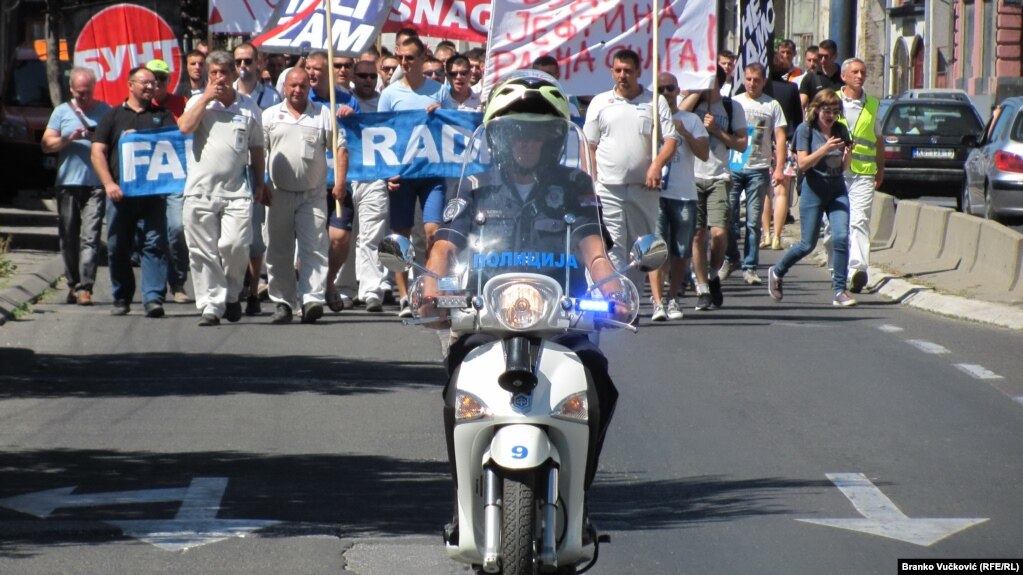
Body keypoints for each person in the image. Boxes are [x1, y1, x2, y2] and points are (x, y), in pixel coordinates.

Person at [424, 73, 630, 516]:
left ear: (553, 141)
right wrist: (429, 286)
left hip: (561, 321)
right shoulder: (475, 186)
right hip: (485, 319)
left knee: (598, 377)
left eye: (536, 137)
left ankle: (579, 488)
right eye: (515, 135)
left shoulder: (575, 185)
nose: (525, 145)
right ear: (498, 139)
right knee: (456, 387)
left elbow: (594, 251)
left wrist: (615, 289)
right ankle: (463, 497)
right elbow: (444, 248)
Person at [177, 50, 266, 326]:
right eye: (213, 73)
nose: (218, 79)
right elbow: (184, 127)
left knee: (235, 245)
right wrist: (205, 98)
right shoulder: (197, 101)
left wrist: (261, 183)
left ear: (232, 75)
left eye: (223, 74)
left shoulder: (248, 106)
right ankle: (211, 305)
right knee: (202, 250)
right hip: (200, 190)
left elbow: (257, 148)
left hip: (237, 190)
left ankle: (231, 292)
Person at [583, 48, 679, 293]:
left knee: (641, 249)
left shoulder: (654, 101)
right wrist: (589, 184)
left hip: (644, 189)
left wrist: (657, 165)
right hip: (608, 188)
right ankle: (614, 298)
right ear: (612, 72)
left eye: (627, 70)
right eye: (618, 70)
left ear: (638, 71)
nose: (622, 75)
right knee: (612, 245)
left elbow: (671, 140)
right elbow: (589, 146)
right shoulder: (600, 102)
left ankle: (632, 299)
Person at [377, 35, 454, 318]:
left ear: (423, 57)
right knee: (401, 236)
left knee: (433, 231)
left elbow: (455, 129)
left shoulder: (440, 90)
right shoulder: (390, 94)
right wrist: (386, 173)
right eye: (401, 58)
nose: (405, 63)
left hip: (432, 173)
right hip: (402, 175)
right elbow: (380, 137)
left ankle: (428, 286)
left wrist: (444, 113)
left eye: (411, 57)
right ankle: (403, 294)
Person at [90, 65, 175, 317]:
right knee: (117, 246)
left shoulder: (164, 116)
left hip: (153, 194)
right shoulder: (113, 116)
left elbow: (174, 147)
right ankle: (122, 296)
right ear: (130, 85)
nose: (151, 87)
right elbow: (97, 152)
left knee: (154, 244)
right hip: (120, 194)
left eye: (154, 83)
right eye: (145, 82)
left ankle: (153, 298)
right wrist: (108, 184)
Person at [262, 68, 341, 324]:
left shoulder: (323, 114)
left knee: (314, 248)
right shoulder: (270, 116)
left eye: (303, 86)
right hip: (277, 193)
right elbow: (259, 152)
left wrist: (339, 183)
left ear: (309, 87)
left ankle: (311, 300)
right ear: (284, 87)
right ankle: (284, 302)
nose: (297, 90)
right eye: (293, 86)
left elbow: (340, 149)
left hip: (313, 194)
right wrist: (261, 183)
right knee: (278, 250)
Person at [767, 90, 857, 307]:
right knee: (807, 244)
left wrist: (847, 154)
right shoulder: (805, 130)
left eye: (836, 112)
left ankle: (839, 290)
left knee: (841, 238)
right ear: (817, 110)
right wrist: (825, 148)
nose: (831, 116)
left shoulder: (840, 129)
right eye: (827, 111)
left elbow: (844, 167)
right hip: (813, 189)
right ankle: (777, 272)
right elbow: (803, 163)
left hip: (836, 189)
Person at [42, 67, 112, 306]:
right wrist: (67, 139)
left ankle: (85, 287)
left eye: (88, 92)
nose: (84, 96)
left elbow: (115, 144)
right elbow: (46, 144)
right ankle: (72, 283)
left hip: (95, 184)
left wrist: (97, 139)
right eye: (80, 92)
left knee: (90, 237)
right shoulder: (61, 112)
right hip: (67, 182)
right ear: (71, 88)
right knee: (68, 236)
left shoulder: (105, 112)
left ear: (94, 88)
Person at [680, 65, 748, 310]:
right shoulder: (692, 104)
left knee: (719, 234)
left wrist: (717, 130)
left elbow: (741, 144)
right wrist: (696, 94)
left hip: (718, 175)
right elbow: (675, 117)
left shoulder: (732, 107)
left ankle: (712, 273)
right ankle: (702, 288)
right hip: (691, 176)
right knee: (697, 234)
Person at [303, 51, 362, 312]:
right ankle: (308, 291)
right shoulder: (304, 97)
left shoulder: (348, 100)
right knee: (312, 240)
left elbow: (363, 140)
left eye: (317, 69)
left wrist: (353, 120)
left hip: (339, 181)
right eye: (308, 68)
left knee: (339, 237)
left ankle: (327, 283)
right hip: (310, 183)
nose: (312, 73)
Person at [649, 72, 709, 321]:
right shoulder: (649, 117)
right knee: (656, 250)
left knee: (681, 251)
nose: (666, 93)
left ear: (678, 90)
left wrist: (683, 132)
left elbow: (704, 153)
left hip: (684, 194)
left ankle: (672, 298)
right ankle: (657, 301)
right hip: (656, 192)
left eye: (670, 88)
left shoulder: (691, 119)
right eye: (661, 89)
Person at [724, 63, 787, 286]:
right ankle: (731, 258)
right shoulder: (735, 102)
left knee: (753, 221)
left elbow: (780, 137)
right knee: (728, 218)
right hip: (734, 167)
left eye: (756, 80)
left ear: (764, 80)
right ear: (744, 79)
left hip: (759, 168)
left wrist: (779, 167)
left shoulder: (772, 105)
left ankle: (750, 266)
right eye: (748, 79)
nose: (752, 83)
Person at [234, 43, 282, 316]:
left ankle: (252, 289)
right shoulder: (225, 96)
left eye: (248, 61)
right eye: (239, 61)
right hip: (230, 176)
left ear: (258, 63)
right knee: (231, 238)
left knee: (254, 237)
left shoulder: (272, 98)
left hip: (259, 176)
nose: (243, 66)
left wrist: (265, 180)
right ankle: (235, 282)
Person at [835, 57, 884, 294]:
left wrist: (880, 168)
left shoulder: (873, 104)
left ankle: (858, 271)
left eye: (863, 72)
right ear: (844, 76)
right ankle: (837, 270)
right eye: (854, 72)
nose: (859, 76)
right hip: (835, 172)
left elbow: (879, 140)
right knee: (833, 226)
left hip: (863, 173)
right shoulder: (831, 101)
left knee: (859, 220)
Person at [346, 60, 390, 312]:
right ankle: (345, 288)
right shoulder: (342, 100)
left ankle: (372, 290)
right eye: (362, 75)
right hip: (345, 175)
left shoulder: (384, 102)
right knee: (347, 237)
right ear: (354, 76)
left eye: (372, 76)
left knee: (372, 236)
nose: (367, 80)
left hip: (375, 176)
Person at [146, 59, 190, 304]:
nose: (157, 84)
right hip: (148, 181)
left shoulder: (181, 104)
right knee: (152, 235)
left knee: (176, 228)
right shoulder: (140, 105)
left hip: (175, 178)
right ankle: (154, 288)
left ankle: (178, 281)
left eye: (162, 79)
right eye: (153, 79)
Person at [762, 50, 805, 251]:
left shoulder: (764, 91)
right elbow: (798, 120)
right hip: (787, 143)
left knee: (765, 191)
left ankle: (766, 233)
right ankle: (778, 236)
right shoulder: (791, 89)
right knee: (781, 192)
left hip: (763, 143)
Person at [799, 39, 843, 110]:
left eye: (826, 56)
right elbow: (801, 105)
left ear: (835, 56)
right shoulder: (810, 77)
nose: (822, 60)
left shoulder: (844, 76)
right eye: (820, 56)